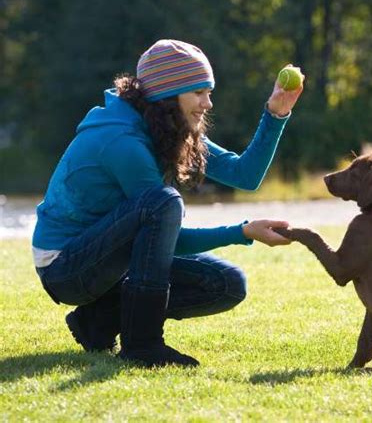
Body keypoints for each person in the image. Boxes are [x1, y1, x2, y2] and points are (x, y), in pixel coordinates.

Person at [32, 39, 304, 368]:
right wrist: (242, 231)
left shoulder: (167, 125)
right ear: (167, 95)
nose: (208, 103)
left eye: (209, 91)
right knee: (163, 203)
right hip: (66, 266)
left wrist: (276, 113)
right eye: (199, 92)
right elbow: (167, 233)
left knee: (226, 284)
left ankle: (98, 321)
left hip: (108, 258)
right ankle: (142, 344)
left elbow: (244, 175)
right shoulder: (123, 141)